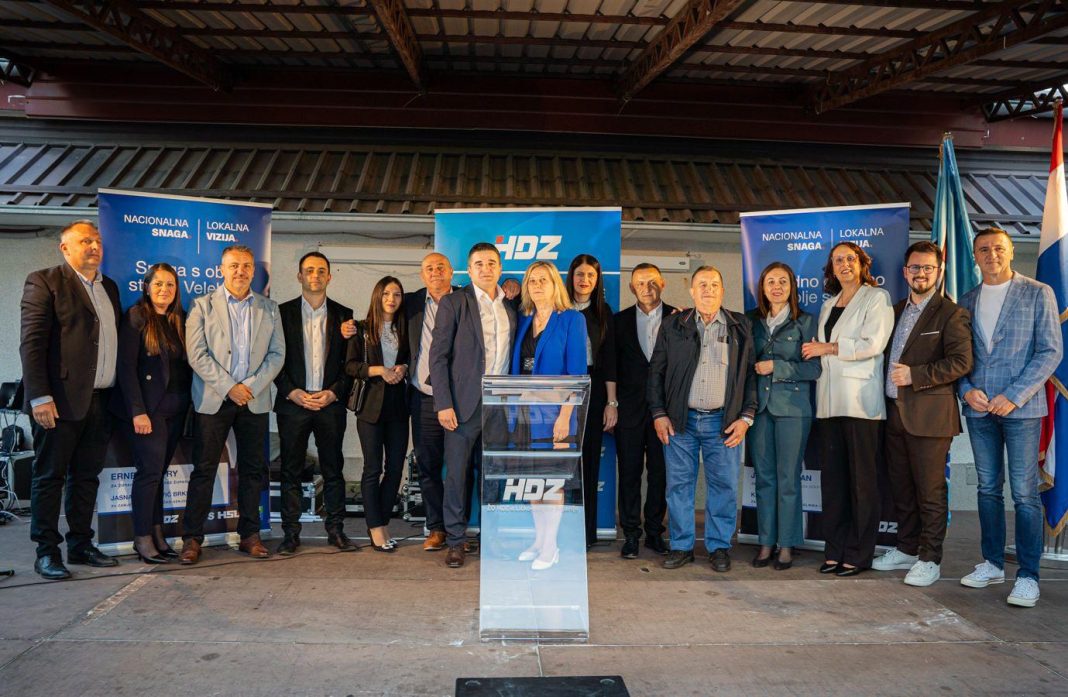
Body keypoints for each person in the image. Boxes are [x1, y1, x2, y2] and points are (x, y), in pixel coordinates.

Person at [957, 227, 1062, 607]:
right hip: (979, 409)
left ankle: (1028, 576)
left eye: (998, 248)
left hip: (1022, 409)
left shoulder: (1038, 292)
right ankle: (992, 563)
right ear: (975, 256)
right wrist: (965, 389)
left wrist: (1014, 396)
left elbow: (1050, 351)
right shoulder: (966, 301)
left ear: (1011, 251)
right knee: (987, 488)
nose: (992, 254)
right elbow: (959, 357)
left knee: (1024, 493)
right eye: (983, 249)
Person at [20, 220, 121, 579]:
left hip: (101, 401)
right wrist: (40, 397)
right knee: (50, 477)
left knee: (86, 477)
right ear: (65, 248)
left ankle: (80, 544)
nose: (93, 247)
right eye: (85, 241)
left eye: (97, 241)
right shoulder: (44, 281)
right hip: (58, 402)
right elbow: (32, 343)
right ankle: (46, 552)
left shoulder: (109, 286)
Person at [871, 242, 972, 586]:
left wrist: (916, 375)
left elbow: (961, 362)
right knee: (901, 487)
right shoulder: (895, 310)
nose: (921, 273)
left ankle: (930, 558)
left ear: (939, 272)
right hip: (893, 413)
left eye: (928, 268)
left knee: (930, 492)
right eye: (915, 267)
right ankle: (907, 547)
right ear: (905, 272)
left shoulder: (951, 313)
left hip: (930, 417)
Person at [181, 245, 285, 564]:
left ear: (253, 271)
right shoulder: (202, 306)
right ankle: (192, 538)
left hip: (253, 399)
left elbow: (277, 354)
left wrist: (248, 387)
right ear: (221, 270)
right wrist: (230, 388)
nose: (240, 271)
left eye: (246, 266)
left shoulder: (269, 308)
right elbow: (196, 354)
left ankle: (249, 535)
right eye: (234, 265)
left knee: (253, 470)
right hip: (215, 398)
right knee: (204, 469)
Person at [648, 266, 756, 572]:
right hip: (679, 422)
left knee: (724, 487)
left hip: (724, 422)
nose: (708, 290)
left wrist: (746, 417)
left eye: (714, 285)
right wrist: (659, 413)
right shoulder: (674, 324)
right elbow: (656, 372)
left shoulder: (740, 326)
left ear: (722, 291)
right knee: (678, 487)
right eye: (702, 285)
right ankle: (681, 546)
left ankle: (719, 547)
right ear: (692, 291)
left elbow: (750, 374)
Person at [802, 242, 894, 577]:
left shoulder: (877, 298)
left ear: (862, 264)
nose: (844, 264)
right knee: (834, 483)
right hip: (829, 404)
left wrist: (828, 348)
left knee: (862, 484)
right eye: (838, 260)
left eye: (850, 259)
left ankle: (858, 553)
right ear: (831, 268)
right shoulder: (828, 304)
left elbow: (873, 344)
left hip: (860, 404)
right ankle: (835, 550)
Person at [430, 242, 517, 568]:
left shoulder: (510, 306)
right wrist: (443, 404)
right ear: (469, 269)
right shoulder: (454, 302)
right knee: (456, 476)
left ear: (500, 267)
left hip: (501, 404)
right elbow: (437, 357)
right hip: (462, 406)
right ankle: (456, 541)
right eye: (479, 263)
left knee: (494, 475)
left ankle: (492, 539)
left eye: (491, 263)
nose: (485, 268)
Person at [273, 252, 355, 556]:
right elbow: (273, 359)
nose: (315, 276)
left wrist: (334, 393)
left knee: (333, 469)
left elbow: (350, 363)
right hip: (293, 403)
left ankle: (336, 531)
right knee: (290, 471)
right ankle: (290, 535)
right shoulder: (281, 313)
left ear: (329, 277)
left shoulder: (345, 315)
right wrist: (291, 392)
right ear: (299, 276)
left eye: (321, 271)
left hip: (329, 403)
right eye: (309, 270)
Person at [112, 263, 192, 563]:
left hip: (177, 410)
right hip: (148, 412)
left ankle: (157, 534)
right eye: (158, 284)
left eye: (170, 284)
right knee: (149, 474)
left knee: (158, 474)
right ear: (146, 287)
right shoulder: (137, 316)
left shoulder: (180, 319)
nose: (164, 290)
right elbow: (126, 368)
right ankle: (142, 537)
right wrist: (138, 412)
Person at [511, 261, 587, 569]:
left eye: (544, 280)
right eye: (532, 281)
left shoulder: (572, 319)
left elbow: (577, 375)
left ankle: (551, 546)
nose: (537, 285)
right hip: (524, 414)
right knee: (533, 482)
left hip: (555, 414)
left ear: (556, 284)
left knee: (552, 482)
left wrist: (565, 416)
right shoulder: (524, 319)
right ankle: (539, 540)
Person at [746, 262, 821, 571]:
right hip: (759, 410)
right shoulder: (751, 321)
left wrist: (777, 367)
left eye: (782, 281)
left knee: (788, 478)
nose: (776, 287)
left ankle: (787, 545)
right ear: (762, 288)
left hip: (793, 409)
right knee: (764, 478)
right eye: (770, 282)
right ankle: (766, 542)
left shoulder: (806, 321)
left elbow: (814, 368)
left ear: (792, 287)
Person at [613, 264, 675, 559]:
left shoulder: (679, 318)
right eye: (640, 283)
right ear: (631, 288)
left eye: (652, 282)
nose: (646, 287)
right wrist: (612, 405)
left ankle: (654, 532)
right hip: (629, 411)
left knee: (660, 473)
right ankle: (630, 534)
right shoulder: (619, 321)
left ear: (662, 283)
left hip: (666, 411)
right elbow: (611, 366)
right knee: (629, 473)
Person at [347, 276, 410, 552]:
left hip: (399, 407)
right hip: (370, 407)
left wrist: (404, 367)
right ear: (377, 296)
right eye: (386, 294)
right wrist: (379, 370)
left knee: (395, 469)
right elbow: (350, 366)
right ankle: (375, 528)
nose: (391, 299)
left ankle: (382, 522)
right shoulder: (361, 329)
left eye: (396, 294)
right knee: (372, 469)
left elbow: (410, 357)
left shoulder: (405, 328)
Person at [565, 254, 618, 549]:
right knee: (561, 465)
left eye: (590, 276)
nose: (584, 280)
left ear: (597, 281)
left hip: (593, 390)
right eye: (579, 274)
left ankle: (584, 535)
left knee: (587, 464)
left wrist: (611, 403)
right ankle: (557, 532)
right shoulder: (558, 308)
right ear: (571, 277)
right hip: (560, 390)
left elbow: (609, 361)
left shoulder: (603, 312)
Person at [405, 252, 457, 552]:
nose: (435, 272)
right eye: (429, 268)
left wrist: (511, 286)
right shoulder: (411, 303)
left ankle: (458, 528)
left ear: (451, 271)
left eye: (440, 267)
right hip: (423, 398)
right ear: (422, 274)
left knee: (461, 467)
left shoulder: (466, 300)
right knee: (428, 466)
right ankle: (436, 528)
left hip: (459, 399)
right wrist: (351, 327)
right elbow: (380, 318)